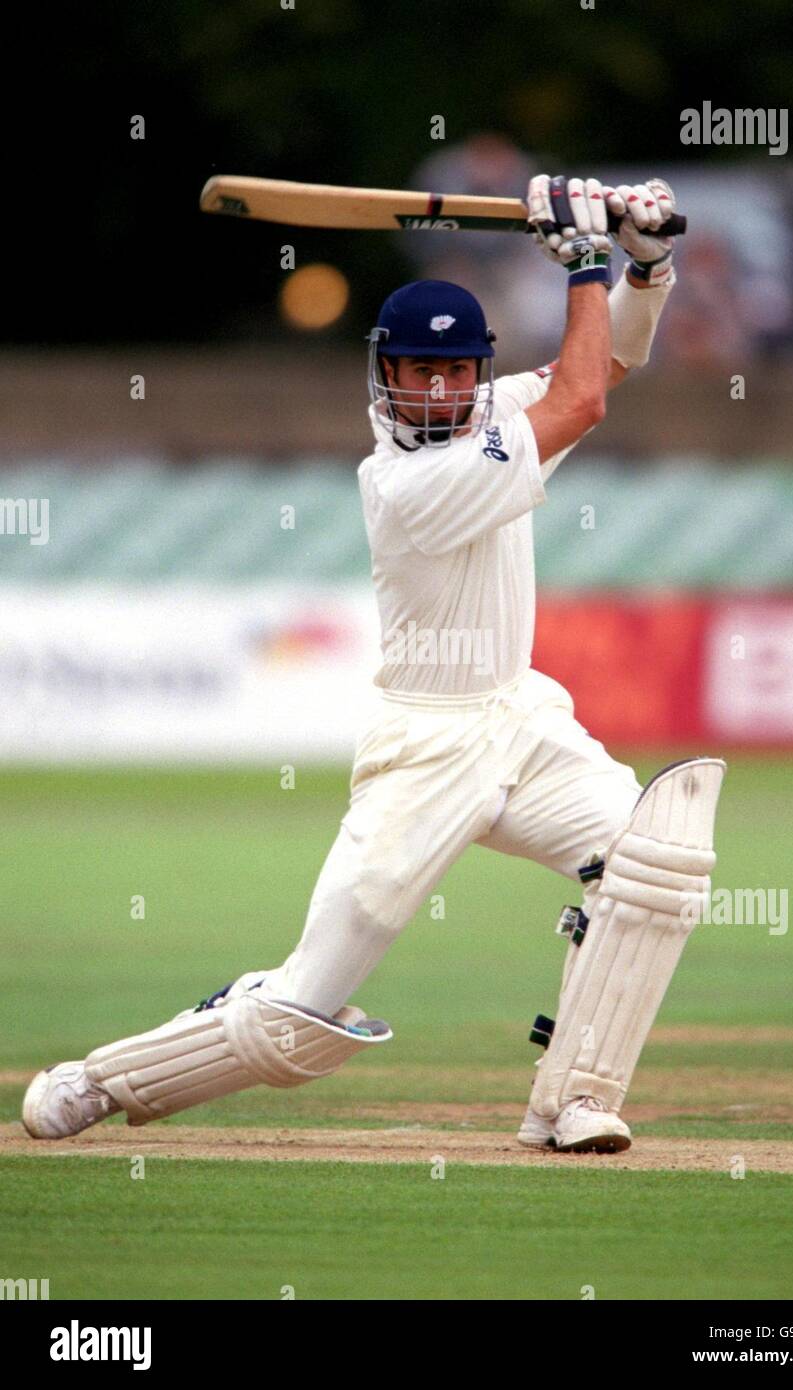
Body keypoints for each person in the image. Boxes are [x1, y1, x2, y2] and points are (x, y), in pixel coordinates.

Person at [22, 175, 723, 1154]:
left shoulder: (493, 418)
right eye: (415, 370)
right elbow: (585, 400)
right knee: (298, 1014)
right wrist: (582, 260)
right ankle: (99, 1079)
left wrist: (644, 264)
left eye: (451, 371)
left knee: (657, 861)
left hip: (520, 722)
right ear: (382, 373)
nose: (434, 389)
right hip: (424, 747)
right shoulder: (406, 482)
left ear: (473, 374)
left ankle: (569, 1099)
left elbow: (610, 364)